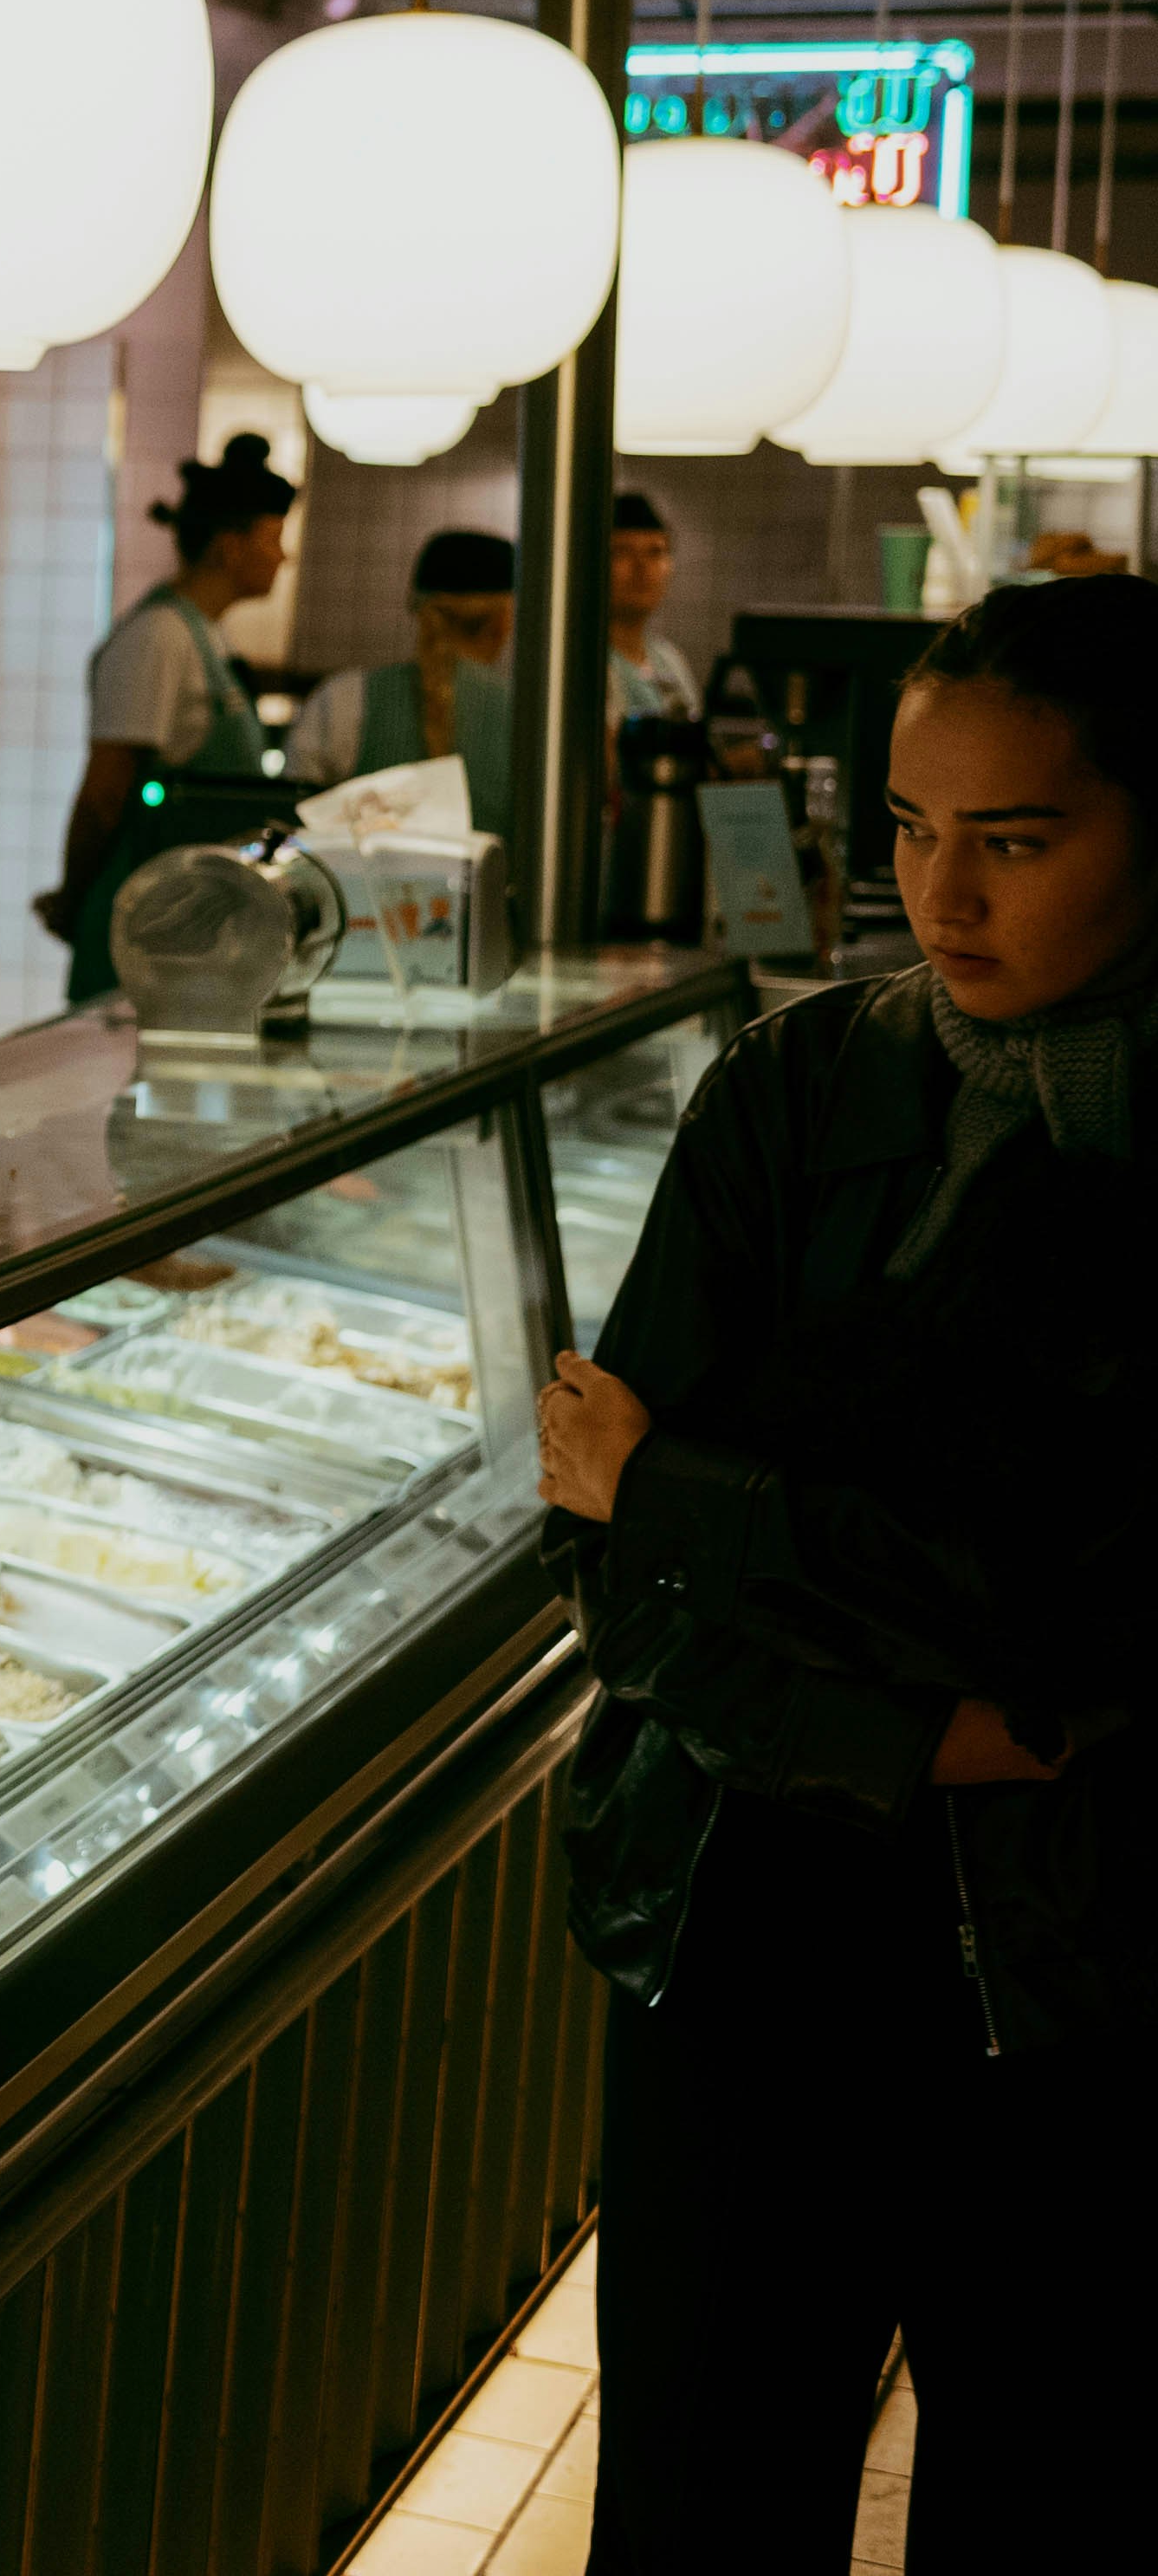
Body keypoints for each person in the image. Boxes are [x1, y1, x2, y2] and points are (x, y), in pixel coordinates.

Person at [533, 574, 1151, 2566]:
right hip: (732, 1948)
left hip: (1080, 1986)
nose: (936, 898)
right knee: (699, 2509)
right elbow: (601, 1571)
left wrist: (699, 1507)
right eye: (903, 829)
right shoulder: (793, 1096)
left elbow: (1094, 1639)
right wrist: (948, 1719)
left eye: (1012, 839)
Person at [40, 434, 296, 970]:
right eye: (273, 538)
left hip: (192, 916)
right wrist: (74, 900)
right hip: (148, 913)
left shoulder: (207, 637)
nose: (283, 555)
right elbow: (105, 792)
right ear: (231, 546)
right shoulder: (158, 638)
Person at [284, 526, 520, 833]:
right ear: (503, 621)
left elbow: (293, 810)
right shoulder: (526, 715)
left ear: (419, 610)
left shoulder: (344, 697)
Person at [608, 487, 703, 726]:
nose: (641, 567)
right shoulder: (582, 663)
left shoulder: (669, 659)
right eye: (622, 552)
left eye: (655, 552)